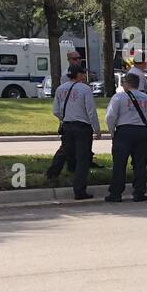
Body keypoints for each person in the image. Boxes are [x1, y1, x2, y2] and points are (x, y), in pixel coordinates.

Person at [104, 72, 147, 203]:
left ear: (126, 83)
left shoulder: (118, 97)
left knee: (119, 164)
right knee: (140, 164)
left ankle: (115, 193)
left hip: (123, 132)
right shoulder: (146, 98)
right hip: (141, 132)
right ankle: (139, 192)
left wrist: (112, 132)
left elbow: (110, 117)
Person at [45, 64, 100, 201]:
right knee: (83, 159)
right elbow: (91, 111)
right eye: (83, 73)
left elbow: (56, 111)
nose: (84, 76)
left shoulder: (60, 89)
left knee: (65, 151)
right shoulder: (85, 89)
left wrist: (65, 119)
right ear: (79, 75)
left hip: (67, 126)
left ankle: (52, 175)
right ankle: (79, 190)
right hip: (82, 127)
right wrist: (97, 129)